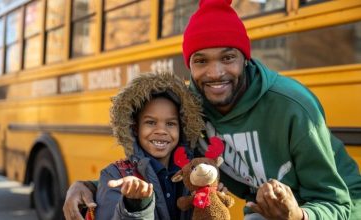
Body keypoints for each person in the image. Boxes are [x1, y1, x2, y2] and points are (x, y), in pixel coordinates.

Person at [63, 0, 361, 219]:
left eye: (228, 57)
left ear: (245, 58)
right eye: (201, 61)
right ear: (189, 65)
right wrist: (89, 185)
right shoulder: (191, 109)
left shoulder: (293, 106)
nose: (215, 73)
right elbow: (164, 165)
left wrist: (298, 216)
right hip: (264, 210)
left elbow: (338, 201)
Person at [78, 72, 204, 220]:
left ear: (182, 129)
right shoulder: (115, 175)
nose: (161, 131)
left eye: (170, 124)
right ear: (135, 128)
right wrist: (135, 206)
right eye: (150, 122)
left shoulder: (196, 172)